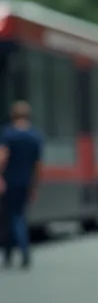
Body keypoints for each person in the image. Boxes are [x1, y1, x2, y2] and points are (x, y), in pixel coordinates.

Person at [0, 101, 42, 269]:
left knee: (11, 216)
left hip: (9, 181)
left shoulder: (7, 134)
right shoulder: (34, 136)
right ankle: (14, 252)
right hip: (26, 180)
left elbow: (2, 157)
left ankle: (19, 251)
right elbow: (38, 165)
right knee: (18, 215)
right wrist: (34, 186)